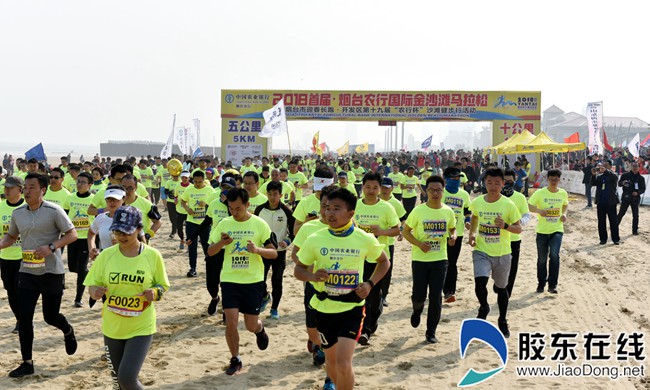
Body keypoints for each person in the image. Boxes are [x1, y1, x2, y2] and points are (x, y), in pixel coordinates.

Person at [294, 188, 389, 390]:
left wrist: (370, 284)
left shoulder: (364, 238)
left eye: (337, 209)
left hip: (352, 309)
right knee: (332, 364)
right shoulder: (315, 238)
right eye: (328, 208)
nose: (330, 213)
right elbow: (298, 270)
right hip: (324, 308)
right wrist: (312, 276)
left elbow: (383, 262)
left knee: (344, 364)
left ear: (351, 213)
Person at [0, 173, 79, 378]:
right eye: (25, 187)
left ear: (42, 190)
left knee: (50, 316)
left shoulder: (54, 211)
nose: (27, 191)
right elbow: (11, 236)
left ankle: (67, 330)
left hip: (51, 272)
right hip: (26, 271)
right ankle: (27, 362)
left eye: (31, 187)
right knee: (24, 317)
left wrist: (52, 247)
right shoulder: (18, 213)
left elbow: (72, 234)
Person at [84, 205, 170, 390]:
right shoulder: (106, 255)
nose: (121, 237)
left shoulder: (152, 256)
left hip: (141, 326)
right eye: (117, 232)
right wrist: (95, 292)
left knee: (127, 379)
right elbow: (92, 285)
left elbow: (162, 285)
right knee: (117, 383)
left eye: (127, 232)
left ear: (139, 229)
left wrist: (154, 293)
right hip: (112, 326)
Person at [206, 188, 277, 375]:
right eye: (231, 208)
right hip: (230, 279)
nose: (234, 212)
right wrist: (222, 244)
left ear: (247, 205)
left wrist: (258, 251)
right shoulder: (223, 224)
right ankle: (235, 358)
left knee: (250, 325)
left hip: (253, 281)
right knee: (231, 321)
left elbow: (274, 252)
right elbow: (210, 251)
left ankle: (260, 330)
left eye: (238, 208)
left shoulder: (260, 224)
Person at [467, 167, 522, 338]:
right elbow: (474, 216)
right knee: (480, 283)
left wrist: (504, 226)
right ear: (484, 183)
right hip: (481, 250)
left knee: (501, 288)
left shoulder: (508, 204)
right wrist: (472, 234)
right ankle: (484, 306)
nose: (493, 186)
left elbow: (518, 229)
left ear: (502, 184)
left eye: (497, 183)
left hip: (502, 253)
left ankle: (502, 320)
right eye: (489, 182)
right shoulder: (477, 202)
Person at [402, 175, 456, 343]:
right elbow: (405, 232)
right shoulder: (418, 211)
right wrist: (419, 244)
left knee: (435, 296)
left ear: (443, 191)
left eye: (438, 190)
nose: (435, 193)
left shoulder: (448, 211)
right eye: (432, 190)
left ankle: (431, 331)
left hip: (440, 259)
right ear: (426, 191)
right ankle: (417, 310)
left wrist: (452, 236)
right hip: (420, 259)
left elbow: (452, 228)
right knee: (419, 294)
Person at [354, 172, 400, 345]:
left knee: (373, 295)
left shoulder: (386, 207)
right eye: (367, 187)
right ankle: (362, 327)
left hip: (379, 258)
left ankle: (368, 328)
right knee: (359, 292)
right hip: (357, 256)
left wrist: (382, 232)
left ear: (380, 189)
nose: (371, 191)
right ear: (362, 187)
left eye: (375, 187)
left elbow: (397, 229)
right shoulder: (356, 205)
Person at [290, 186, 332, 374]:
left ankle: (323, 351)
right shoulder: (309, 227)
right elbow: (295, 254)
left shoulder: (349, 226)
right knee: (312, 320)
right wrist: (309, 269)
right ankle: (316, 342)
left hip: (339, 286)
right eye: (324, 206)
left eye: (333, 207)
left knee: (332, 322)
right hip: (313, 282)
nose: (328, 211)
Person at [254, 180, 295, 319]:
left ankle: (274, 308)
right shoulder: (260, 210)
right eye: (270, 194)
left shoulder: (286, 211)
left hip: (279, 252)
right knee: (260, 279)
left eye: (275, 194)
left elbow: (294, 231)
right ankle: (265, 296)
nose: (272, 197)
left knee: (277, 280)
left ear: (281, 195)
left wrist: (287, 241)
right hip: (263, 251)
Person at [528, 169, 568, 294]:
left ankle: (552, 285)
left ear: (559, 180)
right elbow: (529, 205)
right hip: (542, 231)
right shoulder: (540, 193)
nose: (553, 182)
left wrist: (564, 214)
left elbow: (565, 205)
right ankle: (541, 283)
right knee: (542, 259)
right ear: (547, 179)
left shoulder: (562, 193)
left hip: (557, 229)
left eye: (556, 179)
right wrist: (540, 211)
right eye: (551, 179)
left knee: (554, 256)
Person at [63, 171, 95, 307]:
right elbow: (64, 216)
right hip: (73, 237)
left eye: (83, 182)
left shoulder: (94, 199)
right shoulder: (70, 197)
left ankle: (78, 298)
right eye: (78, 181)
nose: (79, 184)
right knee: (72, 267)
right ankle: (88, 273)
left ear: (90, 185)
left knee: (81, 268)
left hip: (86, 239)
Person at [441, 167, 472, 303]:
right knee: (441, 263)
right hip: (439, 233)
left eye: (458, 178)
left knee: (452, 263)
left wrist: (467, 221)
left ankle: (449, 292)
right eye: (453, 178)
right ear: (446, 179)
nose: (456, 180)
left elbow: (467, 211)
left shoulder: (464, 194)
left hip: (456, 234)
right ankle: (437, 289)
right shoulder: (440, 193)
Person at [0, 176, 26, 333]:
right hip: (5, 256)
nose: (7, 190)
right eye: (5, 187)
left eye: (11, 187)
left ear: (20, 190)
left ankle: (24, 320)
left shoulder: (27, 207)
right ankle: (19, 319)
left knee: (20, 290)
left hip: (24, 257)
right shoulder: (1, 207)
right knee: (10, 291)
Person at [378, 177, 406, 306]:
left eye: (387, 188)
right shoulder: (373, 201)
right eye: (382, 188)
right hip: (372, 243)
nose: (384, 191)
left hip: (388, 242)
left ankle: (384, 295)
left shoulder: (396, 203)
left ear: (392, 189)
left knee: (387, 269)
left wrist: (401, 231)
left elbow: (403, 219)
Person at [181, 170, 215, 277]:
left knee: (206, 246)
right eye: (195, 182)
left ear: (204, 180)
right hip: (191, 222)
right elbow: (183, 201)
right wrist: (187, 209)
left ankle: (210, 267)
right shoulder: (189, 189)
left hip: (205, 223)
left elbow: (215, 203)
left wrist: (205, 203)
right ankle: (192, 268)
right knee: (192, 245)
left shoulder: (210, 190)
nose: (197, 184)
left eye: (200, 182)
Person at [591, 161, 620, 245]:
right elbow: (593, 183)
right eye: (602, 166)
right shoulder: (600, 176)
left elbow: (615, 178)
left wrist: (606, 171)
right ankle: (603, 239)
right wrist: (593, 175)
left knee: (613, 221)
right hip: (601, 202)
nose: (603, 167)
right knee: (601, 221)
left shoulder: (613, 175)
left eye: (606, 166)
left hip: (611, 202)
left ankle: (615, 239)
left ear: (610, 166)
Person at [617, 162, 645, 235]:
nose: (635, 168)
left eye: (636, 166)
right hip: (626, 197)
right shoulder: (625, 175)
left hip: (635, 199)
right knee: (621, 213)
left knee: (635, 215)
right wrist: (623, 183)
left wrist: (638, 192)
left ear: (639, 167)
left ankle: (635, 230)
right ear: (631, 167)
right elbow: (619, 184)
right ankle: (614, 226)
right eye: (633, 166)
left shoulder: (641, 178)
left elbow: (643, 189)